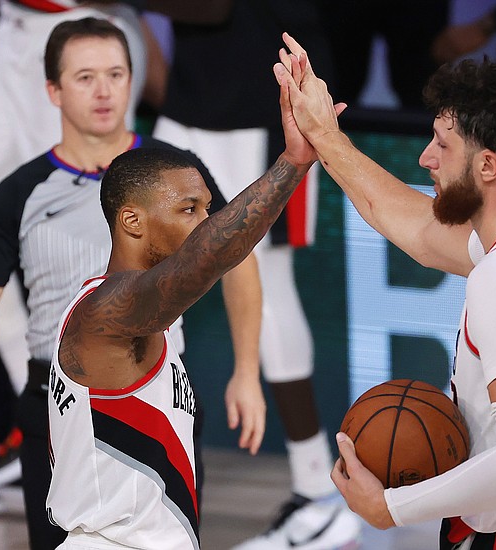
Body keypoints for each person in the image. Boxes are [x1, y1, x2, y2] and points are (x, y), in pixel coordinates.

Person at [275, 34, 496, 549]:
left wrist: (391, 507)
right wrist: (324, 134)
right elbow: (414, 228)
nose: (425, 159)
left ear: (488, 165)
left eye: (442, 143)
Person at [0, 17, 264, 549]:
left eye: (116, 73)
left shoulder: (174, 174)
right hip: (56, 401)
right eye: (85, 76)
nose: (104, 90)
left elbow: (238, 260)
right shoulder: (19, 192)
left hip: (161, 397)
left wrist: (247, 371)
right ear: (53, 90)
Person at [45, 69, 334, 546]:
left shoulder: (144, 316)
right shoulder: (105, 313)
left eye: (206, 207)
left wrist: (245, 371)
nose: (205, 222)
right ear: (133, 221)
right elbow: (206, 258)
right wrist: (293, 162)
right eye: (188, 209)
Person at [152, 4, 361, 548]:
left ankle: (318, 493)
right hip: (189, 96)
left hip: (268, 107)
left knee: (269, 289)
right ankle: (141, 472)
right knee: (151, 278)